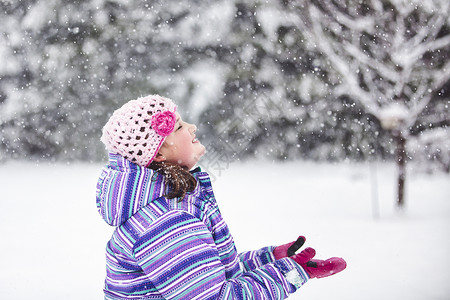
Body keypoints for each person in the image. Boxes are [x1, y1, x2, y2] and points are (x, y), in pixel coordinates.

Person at [96, 94, 346, 300]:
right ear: (158, 154)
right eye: (180, 127)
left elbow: (211, 274)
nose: (192, 127)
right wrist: (291, 273)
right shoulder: (165, 222)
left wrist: (268, 259)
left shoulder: (172, 204)